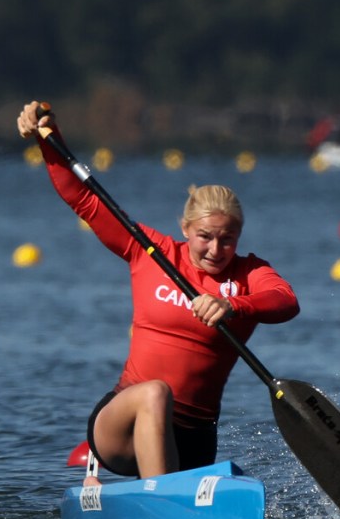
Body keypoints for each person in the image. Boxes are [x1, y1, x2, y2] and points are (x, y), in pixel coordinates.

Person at [17, 101, 300, 483]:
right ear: (186, 228)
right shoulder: (150, 251)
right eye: (205, 237)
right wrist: (48, 137)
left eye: (227, 240)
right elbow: (82, 198)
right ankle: (160, 498)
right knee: (155, 393)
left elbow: (286, 302)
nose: (216, 250)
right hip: (122, 424)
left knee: (164, 402)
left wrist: (233, 305)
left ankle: (165, 499)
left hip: (195, 439)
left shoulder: (250, 274)